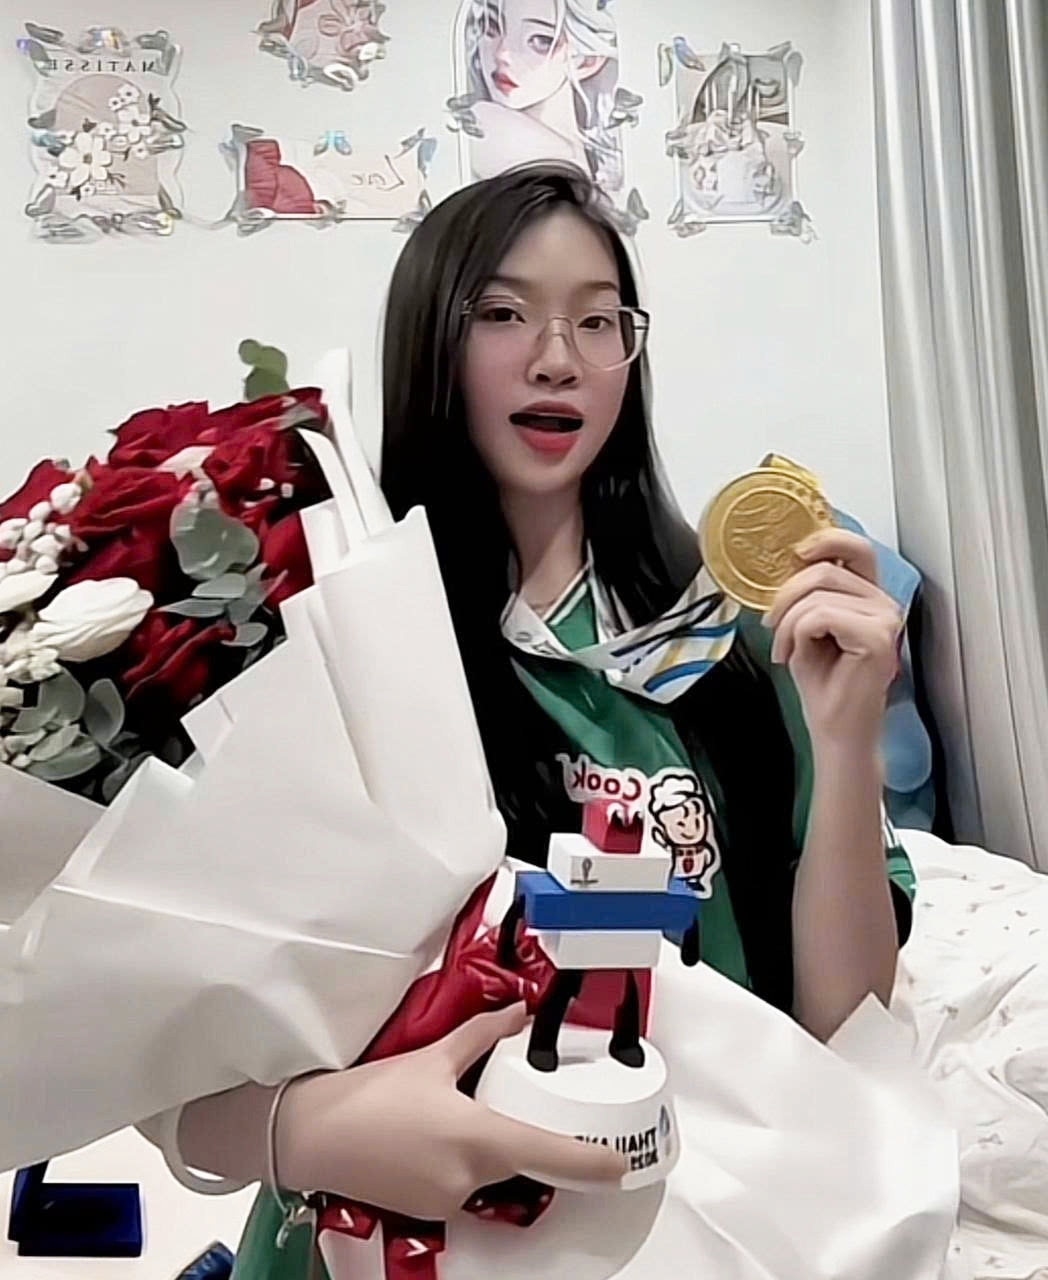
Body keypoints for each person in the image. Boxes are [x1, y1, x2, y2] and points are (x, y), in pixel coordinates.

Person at [149, 162, 916, 1275]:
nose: (558, 357)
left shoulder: (734, 643)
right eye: (503, 313)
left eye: (598, 321)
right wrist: (297, 1129)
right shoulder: (329, 631)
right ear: (431, 342)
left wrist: (845, 745)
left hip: (683, 1224)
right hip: (380, 1235)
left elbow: (845, 1031)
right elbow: (157, 1034)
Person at [456, 0, 624, 193]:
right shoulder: (481, 122)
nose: (502, 54)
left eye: (541, 40)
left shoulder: (481, 123)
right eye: (492, 26)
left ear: (586, 61)